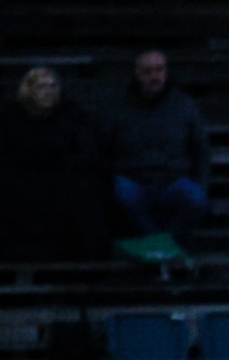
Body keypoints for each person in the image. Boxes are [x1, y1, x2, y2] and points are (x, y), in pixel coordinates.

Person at [0, 68, 111, 261]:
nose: (49, 91)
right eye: (42, 86)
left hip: (63, 178)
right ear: (29, 90)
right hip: (21, 179)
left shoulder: (72, 115)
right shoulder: (10, 117)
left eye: (53, 86)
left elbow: (86, 152)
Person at [105, 51, 210, 247]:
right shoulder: (117, 105)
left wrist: (201, 183)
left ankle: (162, 246)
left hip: (173, 179)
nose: (154, 76)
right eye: (147, 71)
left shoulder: (184, 104)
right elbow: (103, 145)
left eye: (159, 70)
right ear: (137, 73)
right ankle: (163, 248)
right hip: (133, 177)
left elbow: (200, 148)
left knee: (197, 199)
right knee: (123, 196)